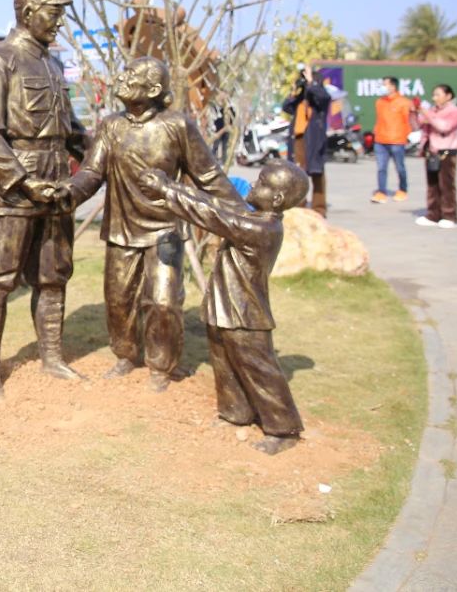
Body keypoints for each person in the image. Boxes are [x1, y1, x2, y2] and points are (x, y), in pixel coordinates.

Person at [65, 57, 244, 391]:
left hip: (165, 231)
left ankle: (162, 366)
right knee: (119, 301)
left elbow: (208, 176)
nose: (122, 78)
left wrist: (242, 213)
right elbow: (91, 172)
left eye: (132, 75)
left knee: (164, 302)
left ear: (154, 89)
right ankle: (125, 355)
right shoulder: (110, 126)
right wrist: (68, 194)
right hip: (121, 229)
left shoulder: (177, 126)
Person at [136, 160, 309, 454]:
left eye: (262, 183)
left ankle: (283, 429)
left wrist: (166, 191)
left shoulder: (261, 228)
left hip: (245, 313)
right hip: (223, 305)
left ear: (277, 198)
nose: (253, 184)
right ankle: (235, 412)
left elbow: (212, 216)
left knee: (259, 368)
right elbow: (215, 205)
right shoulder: (251, 217)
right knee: (224, 361)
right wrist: (173, 187)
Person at [0, 0, 88, 398]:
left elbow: (71, 129)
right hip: (13, 188)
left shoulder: (52, 65)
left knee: (53, 274)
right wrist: (20, 181)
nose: (59, 22)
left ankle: (52, 357)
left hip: (56, 182)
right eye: (53, 12)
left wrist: (101, 153)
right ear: (28, 12)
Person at [282, 65, 330, 217]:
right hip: (298, 140)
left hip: (314, 141)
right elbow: (286, 107)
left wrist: (311, 82)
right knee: (298, 175)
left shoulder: (319, 100)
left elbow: (323, 97)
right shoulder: (299, 100)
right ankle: (299, 206)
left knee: (317, 174)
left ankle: (319, 208)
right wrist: (294, 90)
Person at [415, 83, 457, 229]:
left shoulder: (453, 111)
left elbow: (444, 127)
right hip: (431, 150)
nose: (434, 98)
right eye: (433, 95)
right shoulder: (432, 110)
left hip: (446, 151)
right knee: (432, 185)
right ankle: (433, 214)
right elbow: (417, 125)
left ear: (448, 96)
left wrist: (427, 114)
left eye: (438, 95)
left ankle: (449, 215)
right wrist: (415, 112)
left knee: (446, 184)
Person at [372, 76, 413, 203]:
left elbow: (408, 121)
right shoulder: (379, 102)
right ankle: (381, 192)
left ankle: (402, 190)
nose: (382, 87)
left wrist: (407, 136)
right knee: (381, 168)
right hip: (380, 140)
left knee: (400, 167)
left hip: (397, 140)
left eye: (385, 84)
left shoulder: (404, 102)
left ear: (393, 87)